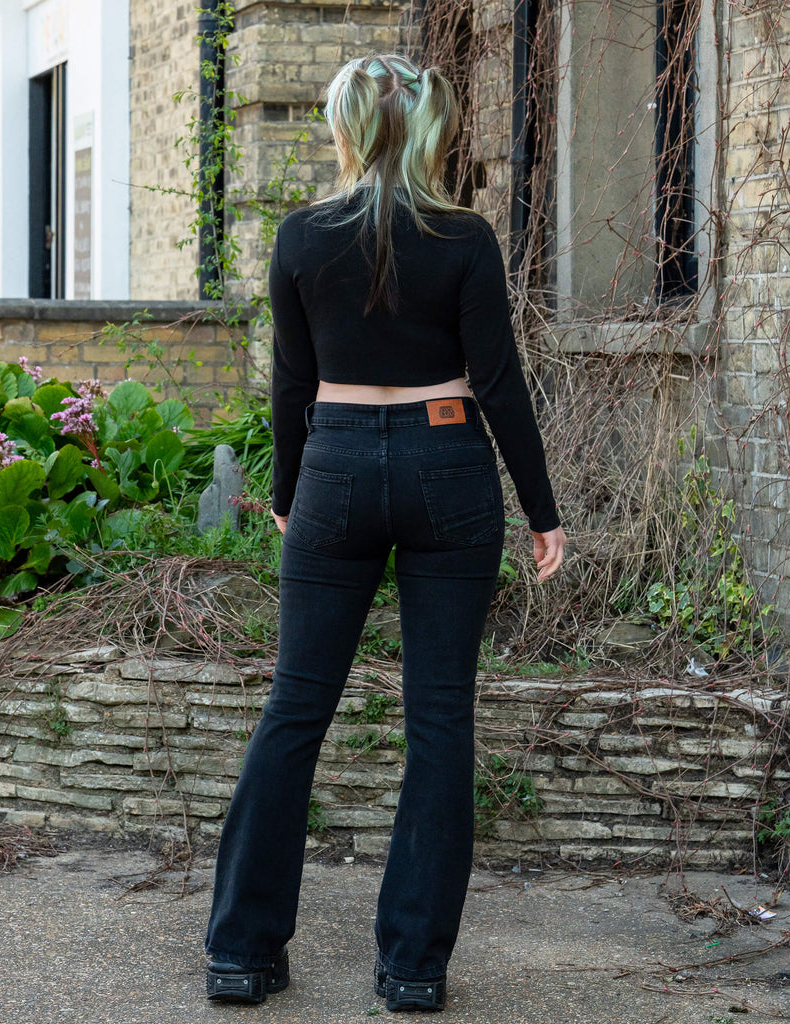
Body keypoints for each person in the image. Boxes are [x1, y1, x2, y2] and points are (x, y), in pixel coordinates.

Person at [204, 53, 566, 1012]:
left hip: (335, 468)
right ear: (429, 132)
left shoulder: (300, 236)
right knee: (439, 717)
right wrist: (542, 510)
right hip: (447, 462)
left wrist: (289, 491)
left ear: (345, 129)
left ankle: (240, 953)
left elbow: (290, 381)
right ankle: (411, 968)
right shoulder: (464, 237)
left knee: (295, 707)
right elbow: (497, 381)